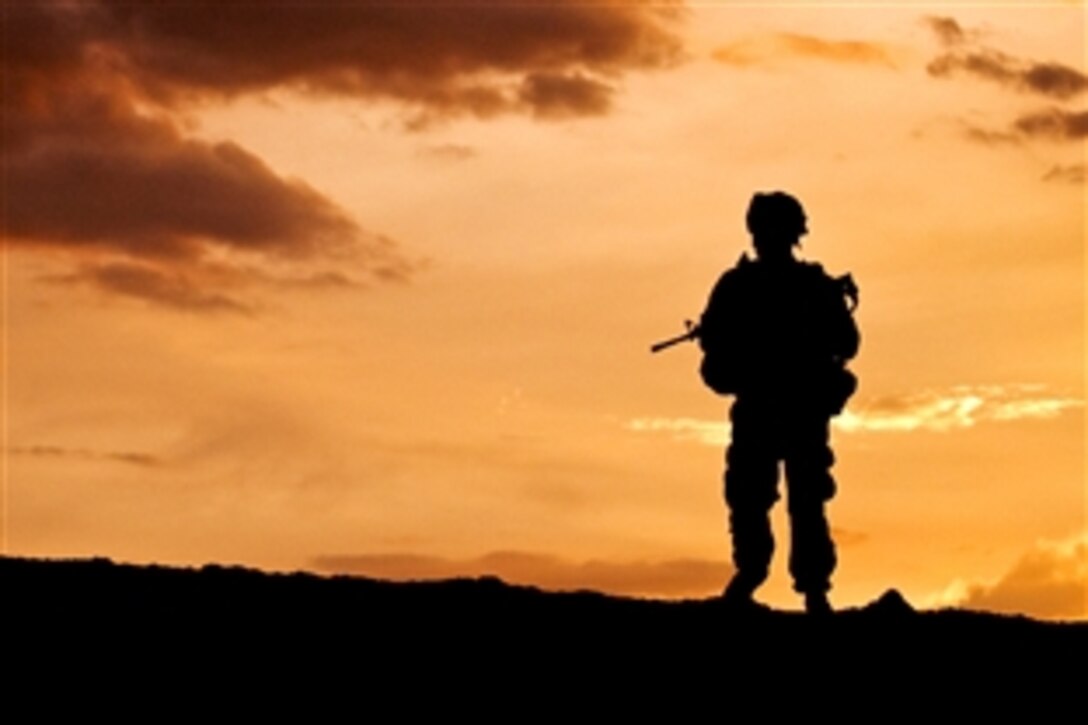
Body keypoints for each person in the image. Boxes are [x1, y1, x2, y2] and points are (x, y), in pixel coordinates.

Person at [697, 191, 859, 614]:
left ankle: (809, 587)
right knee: (755, 496)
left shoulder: (804, 287)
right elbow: (714, 347)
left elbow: (847, 343)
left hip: (796, 408)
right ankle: (762, 575)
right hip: (768, 409)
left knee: (802, 498)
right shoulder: (743, 287)